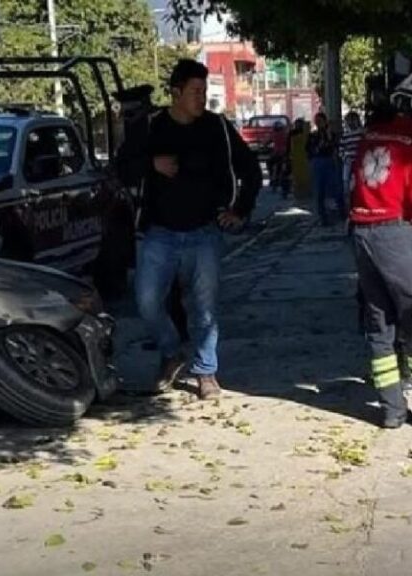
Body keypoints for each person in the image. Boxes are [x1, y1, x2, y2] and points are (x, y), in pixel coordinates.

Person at [116, 59, 262, 399]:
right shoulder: (151, 127)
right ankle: (171, 352)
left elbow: (250, 169)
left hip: (205, 233)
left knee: (205, 308)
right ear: (176, 93)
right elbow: (121, 168)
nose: (201, 98)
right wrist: (151, 165)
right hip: (159, 234)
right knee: (148, 301)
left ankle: (206, 372)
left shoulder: (217, 128)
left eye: (204, 91)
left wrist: (240, 210)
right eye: (195, 92)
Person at [348, 75, 412, 428]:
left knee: (380, 324)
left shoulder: (368, 137)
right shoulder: (407, 140)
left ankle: (391, 410)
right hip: (395, 234)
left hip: (362, 234)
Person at [307, 112, 345, 225]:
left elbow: (335, 146)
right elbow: (309, 150)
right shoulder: (313, 135)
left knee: (336, 189)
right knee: (319, 191)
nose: (319, 123)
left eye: (320, 121)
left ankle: (340, 213)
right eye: (317, 121)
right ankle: (323, 216)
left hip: (330, 161)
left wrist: (329, 136)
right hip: (318, 162)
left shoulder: (330, 134)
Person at [340, 111, 364, 195]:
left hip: (357, 161)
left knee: (348, 183)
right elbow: (341, 150)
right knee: (347, 183)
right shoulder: (346, 135)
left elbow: (341, 150)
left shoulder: (362, 133)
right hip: (350, 161)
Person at [289, 119, 312, 200]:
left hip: (304, 156)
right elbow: (289, 145)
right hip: (296, 157)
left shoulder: (307, 134)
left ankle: (305, 193)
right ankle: (298, 193)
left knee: (305, 175)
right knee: (297, 176)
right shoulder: (292, 133)